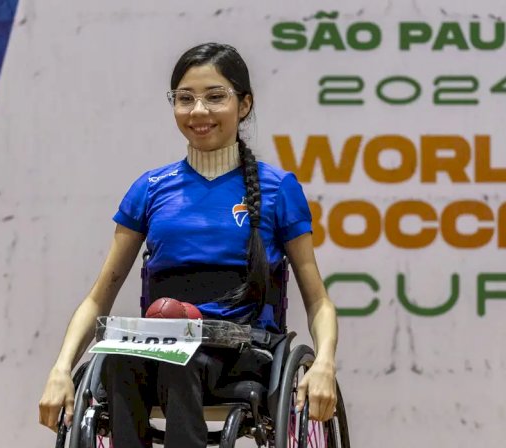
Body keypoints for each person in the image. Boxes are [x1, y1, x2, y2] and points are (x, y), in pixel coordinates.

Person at [38, 42, 339, 447]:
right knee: (119, 359)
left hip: (241, 353)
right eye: (185, 99)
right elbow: (99, 297)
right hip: (156, 348)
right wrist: (60, 368)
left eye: (215, 97)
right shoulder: (150, 189)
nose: (198, 111)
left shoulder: (278, 189)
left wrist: (324, 364)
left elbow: (317, 299)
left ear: (244, 104)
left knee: (180, 360)